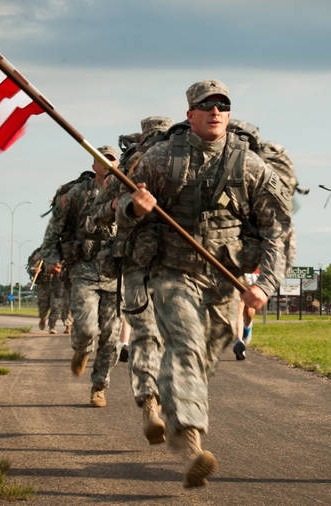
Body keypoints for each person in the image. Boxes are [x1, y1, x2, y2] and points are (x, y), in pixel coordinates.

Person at [115, 80, 292, 487]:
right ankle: (193, 443)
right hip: (172, 274)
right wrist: (133, 207)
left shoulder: (250, 166)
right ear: (190, 114)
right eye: (206, 105)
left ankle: (174, 410)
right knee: (186, 345)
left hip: (223, 280)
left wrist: (264, 286)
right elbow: (119, 209)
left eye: (222, 105)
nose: (215, 111)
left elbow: (276, 232)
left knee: (202, 357)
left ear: (229, 114)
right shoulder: (159, 158)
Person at [96, 116, 174, 445]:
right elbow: (101, 209)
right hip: (138, 265)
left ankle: (171, 403)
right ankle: (150, 405)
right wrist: (129, 206)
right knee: (145, 333)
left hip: (180, 266)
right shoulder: (129, 169)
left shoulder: (186, 165)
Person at [40, 146, 123, 408]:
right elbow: (54, 230)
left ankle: (99, 387)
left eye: (112, 159)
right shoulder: (76, 195)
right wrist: (51, 260)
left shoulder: (126, 193)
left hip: (115, 273)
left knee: (111, 337)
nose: (108, 164)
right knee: (87, 328)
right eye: (103, 160)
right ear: (94, 164)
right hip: (84, 271)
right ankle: (82, 349)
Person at [27, 247, 59, 334]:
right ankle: (42, 318)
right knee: (43, 305)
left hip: (57, 283)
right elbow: (31, 266)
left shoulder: (61, 251)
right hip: (43, 283)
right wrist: (34, 270)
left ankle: (52, 326)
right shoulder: (40, 252)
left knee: (55, 306)